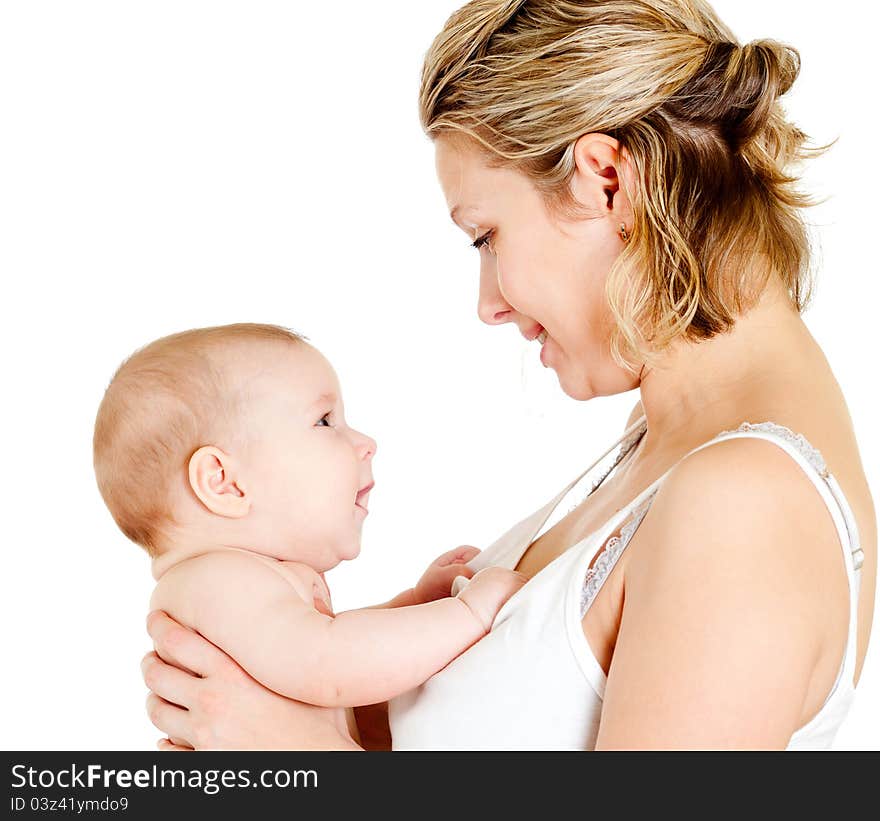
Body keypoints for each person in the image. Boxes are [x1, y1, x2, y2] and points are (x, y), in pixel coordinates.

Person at [141, 0, 876, 750]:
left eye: (487, 236)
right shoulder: (667, 439)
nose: (489, 304)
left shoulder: (744, 504)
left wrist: (297, 754)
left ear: (608, 180)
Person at [93, 323, 525, 750]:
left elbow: (318, 653)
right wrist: (469, 614)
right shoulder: (216, 582)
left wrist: (411, 605)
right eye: (324, 421)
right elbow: (329, 667)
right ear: (225, 483)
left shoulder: (232, 584)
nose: (365, 442)